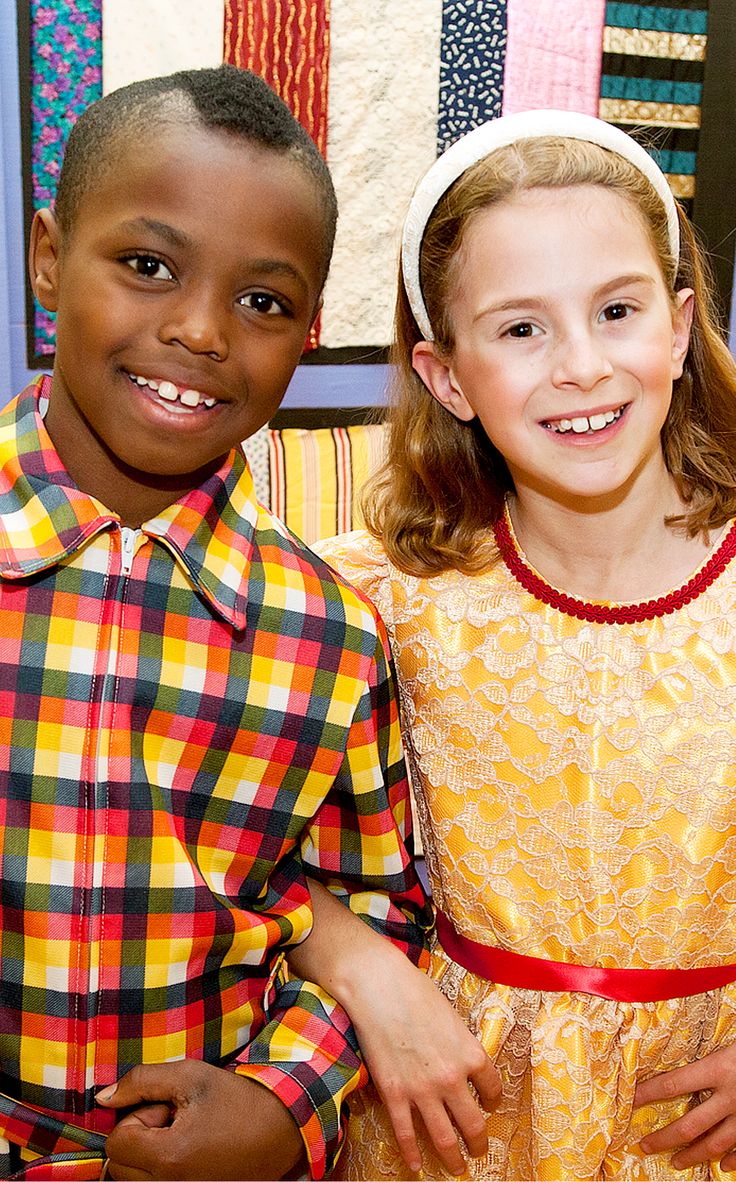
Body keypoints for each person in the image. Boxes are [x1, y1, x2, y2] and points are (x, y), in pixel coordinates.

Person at [0, 63, 438, 1182]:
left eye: (262, 302)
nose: (198, 332)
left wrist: (281, 1103)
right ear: (48, 257)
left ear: (306, 334)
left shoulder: (331, 636)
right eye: (147, 267)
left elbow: (384, 911)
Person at [309, 108, 736, 1180]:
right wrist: (359, 966)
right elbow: (220, 840)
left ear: (679, 330)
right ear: (447, 377)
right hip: (453, 1127)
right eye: (518, 328)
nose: (581, 366)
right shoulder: (373, 595)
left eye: (617, 310)